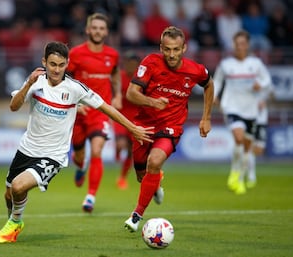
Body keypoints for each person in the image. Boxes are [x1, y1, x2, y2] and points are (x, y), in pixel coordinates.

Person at [0, 41, 153, 243]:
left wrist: (132, 128)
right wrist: (27, 85)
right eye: (52, 64)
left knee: (18, 187)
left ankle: (16, 221)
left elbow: (106, 108)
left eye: (61, 65)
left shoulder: (75, 88)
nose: (57, 69)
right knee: (8, 195)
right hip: (26, 149)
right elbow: (13, 107)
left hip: (52, 155)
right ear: (44, 62)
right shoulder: (36, 81)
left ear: (67, 63)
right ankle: (14, 222)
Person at [124, 26, 214, 232]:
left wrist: (206, 117)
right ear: (161, 48)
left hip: (171, 127)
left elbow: (209, 84)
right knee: (141, 175)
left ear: (184, 48)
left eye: (176, 49)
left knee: (154, 162)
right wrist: (152, 102)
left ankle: (136, 216)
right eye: (167, 49)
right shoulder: (150, 63)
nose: (171, 55)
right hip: (143, 126)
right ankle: (155, 183)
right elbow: (131, 93)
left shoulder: (195, 70)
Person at [66, 13, 122, 212]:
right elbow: (65, 80)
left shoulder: (112, 55)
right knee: (79, 155)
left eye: (102, 28)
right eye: (95, 28)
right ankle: (81, 167)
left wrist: (117, 96)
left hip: (101, 111)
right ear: (88, 30)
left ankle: (90, 196)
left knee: (97, 150)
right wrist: (74, 102)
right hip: (79, 112)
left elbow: (115, 74)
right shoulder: (76, 53)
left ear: (106, 32)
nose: (98, 31)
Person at [213, 30, 272, 195]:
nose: (240, 47)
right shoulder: (226, 64)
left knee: (247, 148)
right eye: (237, 44)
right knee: (238, 138)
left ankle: (239, 176)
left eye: (243, 44)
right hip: (231, 107)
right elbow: (217, 81)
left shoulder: (256, 63)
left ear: (247, 45)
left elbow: (266, 79)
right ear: (233, 45)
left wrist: (260, 84)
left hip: (251, 110)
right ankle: (234, 172)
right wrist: (214, 95)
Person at [114, 51, 141, 190]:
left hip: (135, 118)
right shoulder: (120, 77)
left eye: (133, 64)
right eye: (128, 64)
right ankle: (117, 150)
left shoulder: (140, 79)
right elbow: (113, 92)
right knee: (120, 143)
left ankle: (122, 178)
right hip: (120, 115)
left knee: (131, 152)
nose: (131, 66)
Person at [247, 84, 273, 188]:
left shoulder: (265, 83)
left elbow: (272, 94)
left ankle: (246, 165)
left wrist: (265, 100)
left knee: (259, 150)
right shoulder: (247, 82)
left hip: (262, 120)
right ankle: (251, 175)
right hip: (250, 118)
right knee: (249, 147)